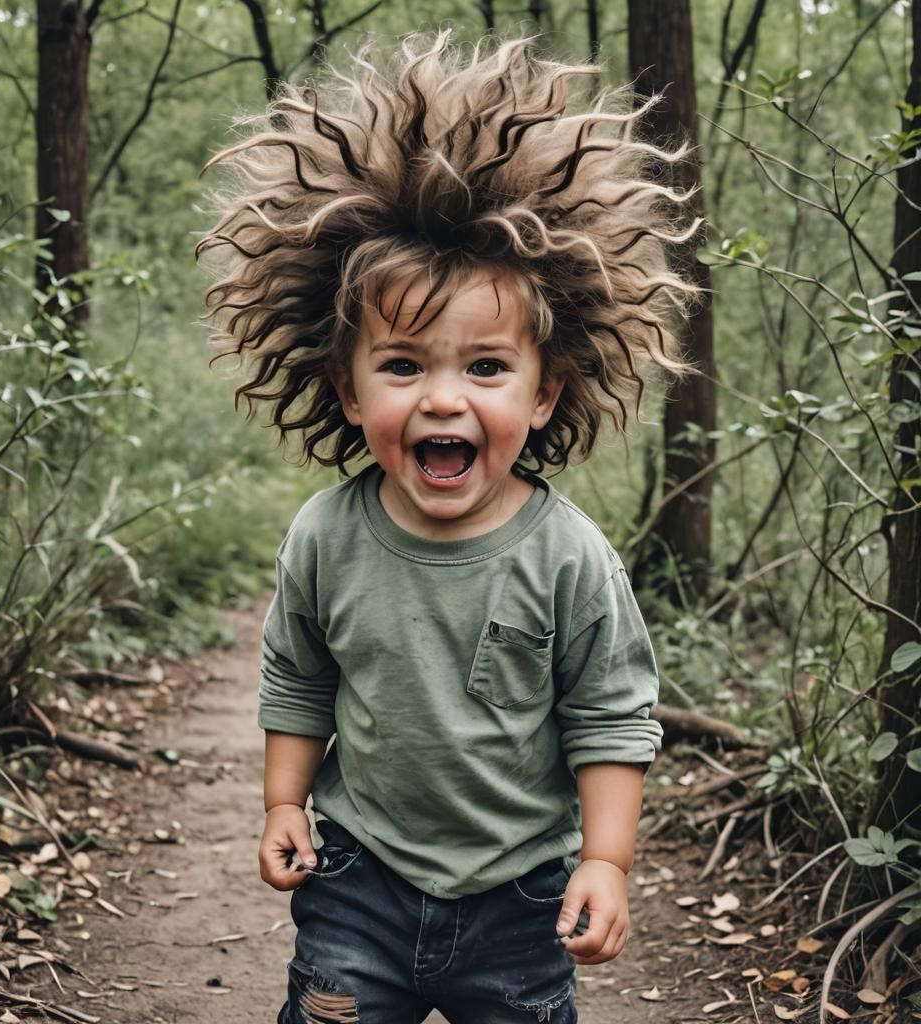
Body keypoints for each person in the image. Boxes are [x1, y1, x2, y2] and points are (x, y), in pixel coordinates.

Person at [197, 29, 701, 1024]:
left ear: (547, 390)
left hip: (519, 901)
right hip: (356, 880)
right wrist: (284, 803)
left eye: (483, 367)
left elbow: (608, 714)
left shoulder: (569, 558)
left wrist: (605, 858)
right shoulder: (325, 537)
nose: (442, 400)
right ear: (345, 387)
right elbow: (299, 677)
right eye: (401, 365)